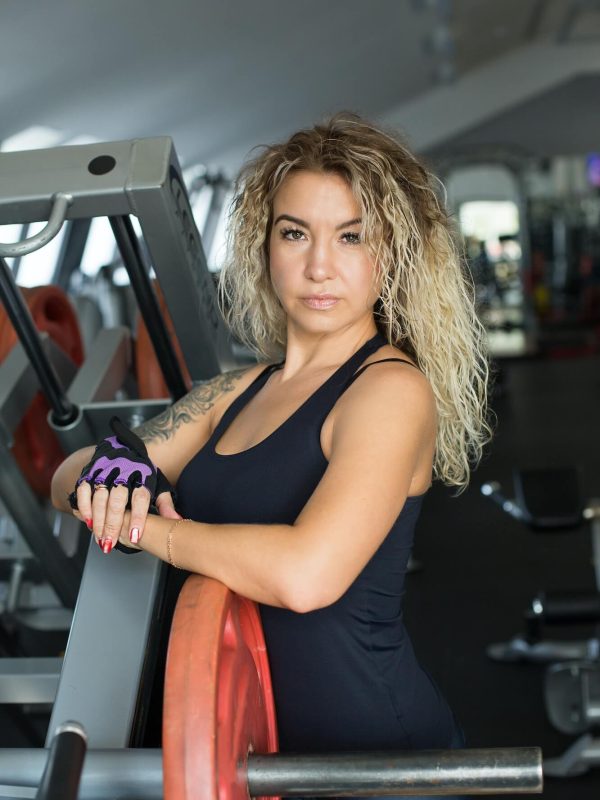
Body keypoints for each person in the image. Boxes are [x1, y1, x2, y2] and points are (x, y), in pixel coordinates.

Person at [51, 113, 490, 797]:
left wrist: (146, 528)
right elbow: (68, 476)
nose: (319, 265)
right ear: (264, 246)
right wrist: (113, 476)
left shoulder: (390, 391)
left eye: (352, 236)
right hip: (244, 750)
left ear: (393, 254)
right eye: (295, 233)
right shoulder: (234, 392)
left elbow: (306, 576)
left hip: (370, 755)